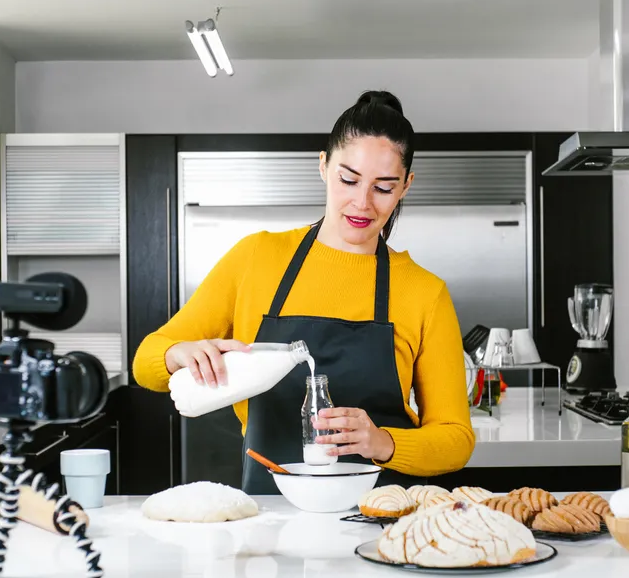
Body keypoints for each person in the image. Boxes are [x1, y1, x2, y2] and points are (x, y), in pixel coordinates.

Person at [133, 90, 475, 494]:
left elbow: (456, 439)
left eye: (383, 188)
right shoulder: (257, 257)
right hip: (272, 520)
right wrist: (177, 354)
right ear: (323, 166)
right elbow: (146, 362)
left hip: (383, 519)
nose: (362, 203)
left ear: (405, 186)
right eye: (348, 179)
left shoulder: (423, 292)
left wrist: (382, 442)